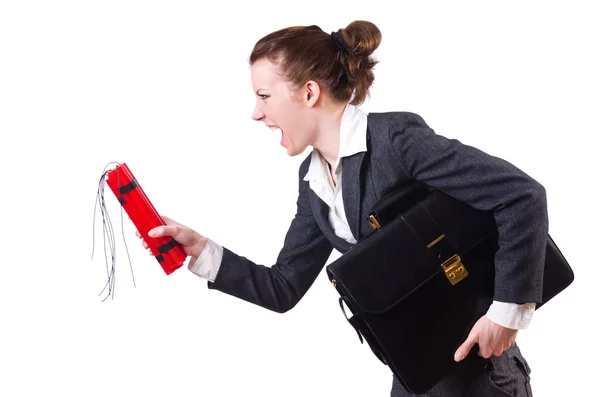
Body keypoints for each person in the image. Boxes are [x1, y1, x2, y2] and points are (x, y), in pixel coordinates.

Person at [139, 20, 546, 397]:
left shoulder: (394, 140)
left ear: (309, 92)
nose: (256, 112)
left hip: (479, 374)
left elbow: (520, 195)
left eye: (264, 95)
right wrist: (201, 250)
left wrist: (507, 313)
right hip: (414, 376)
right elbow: (283, 286)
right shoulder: (313, 181)